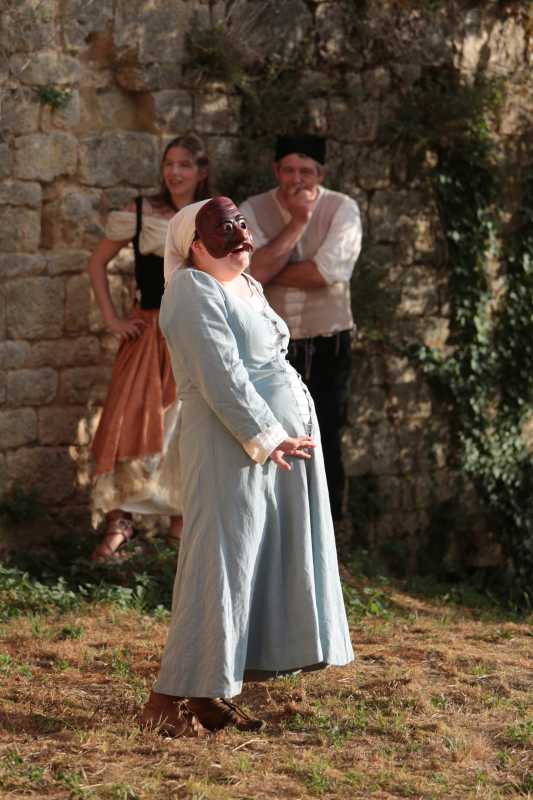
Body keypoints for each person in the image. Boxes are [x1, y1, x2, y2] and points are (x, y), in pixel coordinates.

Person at [139, 196, 354, 737]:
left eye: (240, 222)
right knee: (217, 563)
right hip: (228, 446)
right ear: (193, 245)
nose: (239, 231)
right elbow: (221, 376)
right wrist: (270, 435)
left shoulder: (245, 286)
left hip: (264, 449)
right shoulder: (192, 289)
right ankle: (164, 702)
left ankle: (209, 690)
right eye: (222, 226)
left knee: (247, 563)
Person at [88, 133, 211, 560]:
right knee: (127, 422)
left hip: (193, 335)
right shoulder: (140, 212)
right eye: (169, 164)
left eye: (184, 164)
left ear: (202, 171)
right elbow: (96, 263)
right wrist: (113, 320)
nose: (174, 172)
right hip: (149, 332)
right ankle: (119, 522)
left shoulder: (211, 216)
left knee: (186, 427)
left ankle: (180, 532)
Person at [240, 135, 362, 523]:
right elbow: (251, 270)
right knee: (271, 434)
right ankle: (275, 527)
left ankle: (330, 531)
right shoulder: (252, 210)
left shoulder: (342, 208)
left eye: (306, 171)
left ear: (320, 175)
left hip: (328, 343)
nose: (297, 179)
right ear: (276, 171)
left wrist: (269, 268)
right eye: (289, 170)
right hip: (270, 346)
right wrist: (298, 222)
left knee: (326, 435)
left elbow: (325, 272)